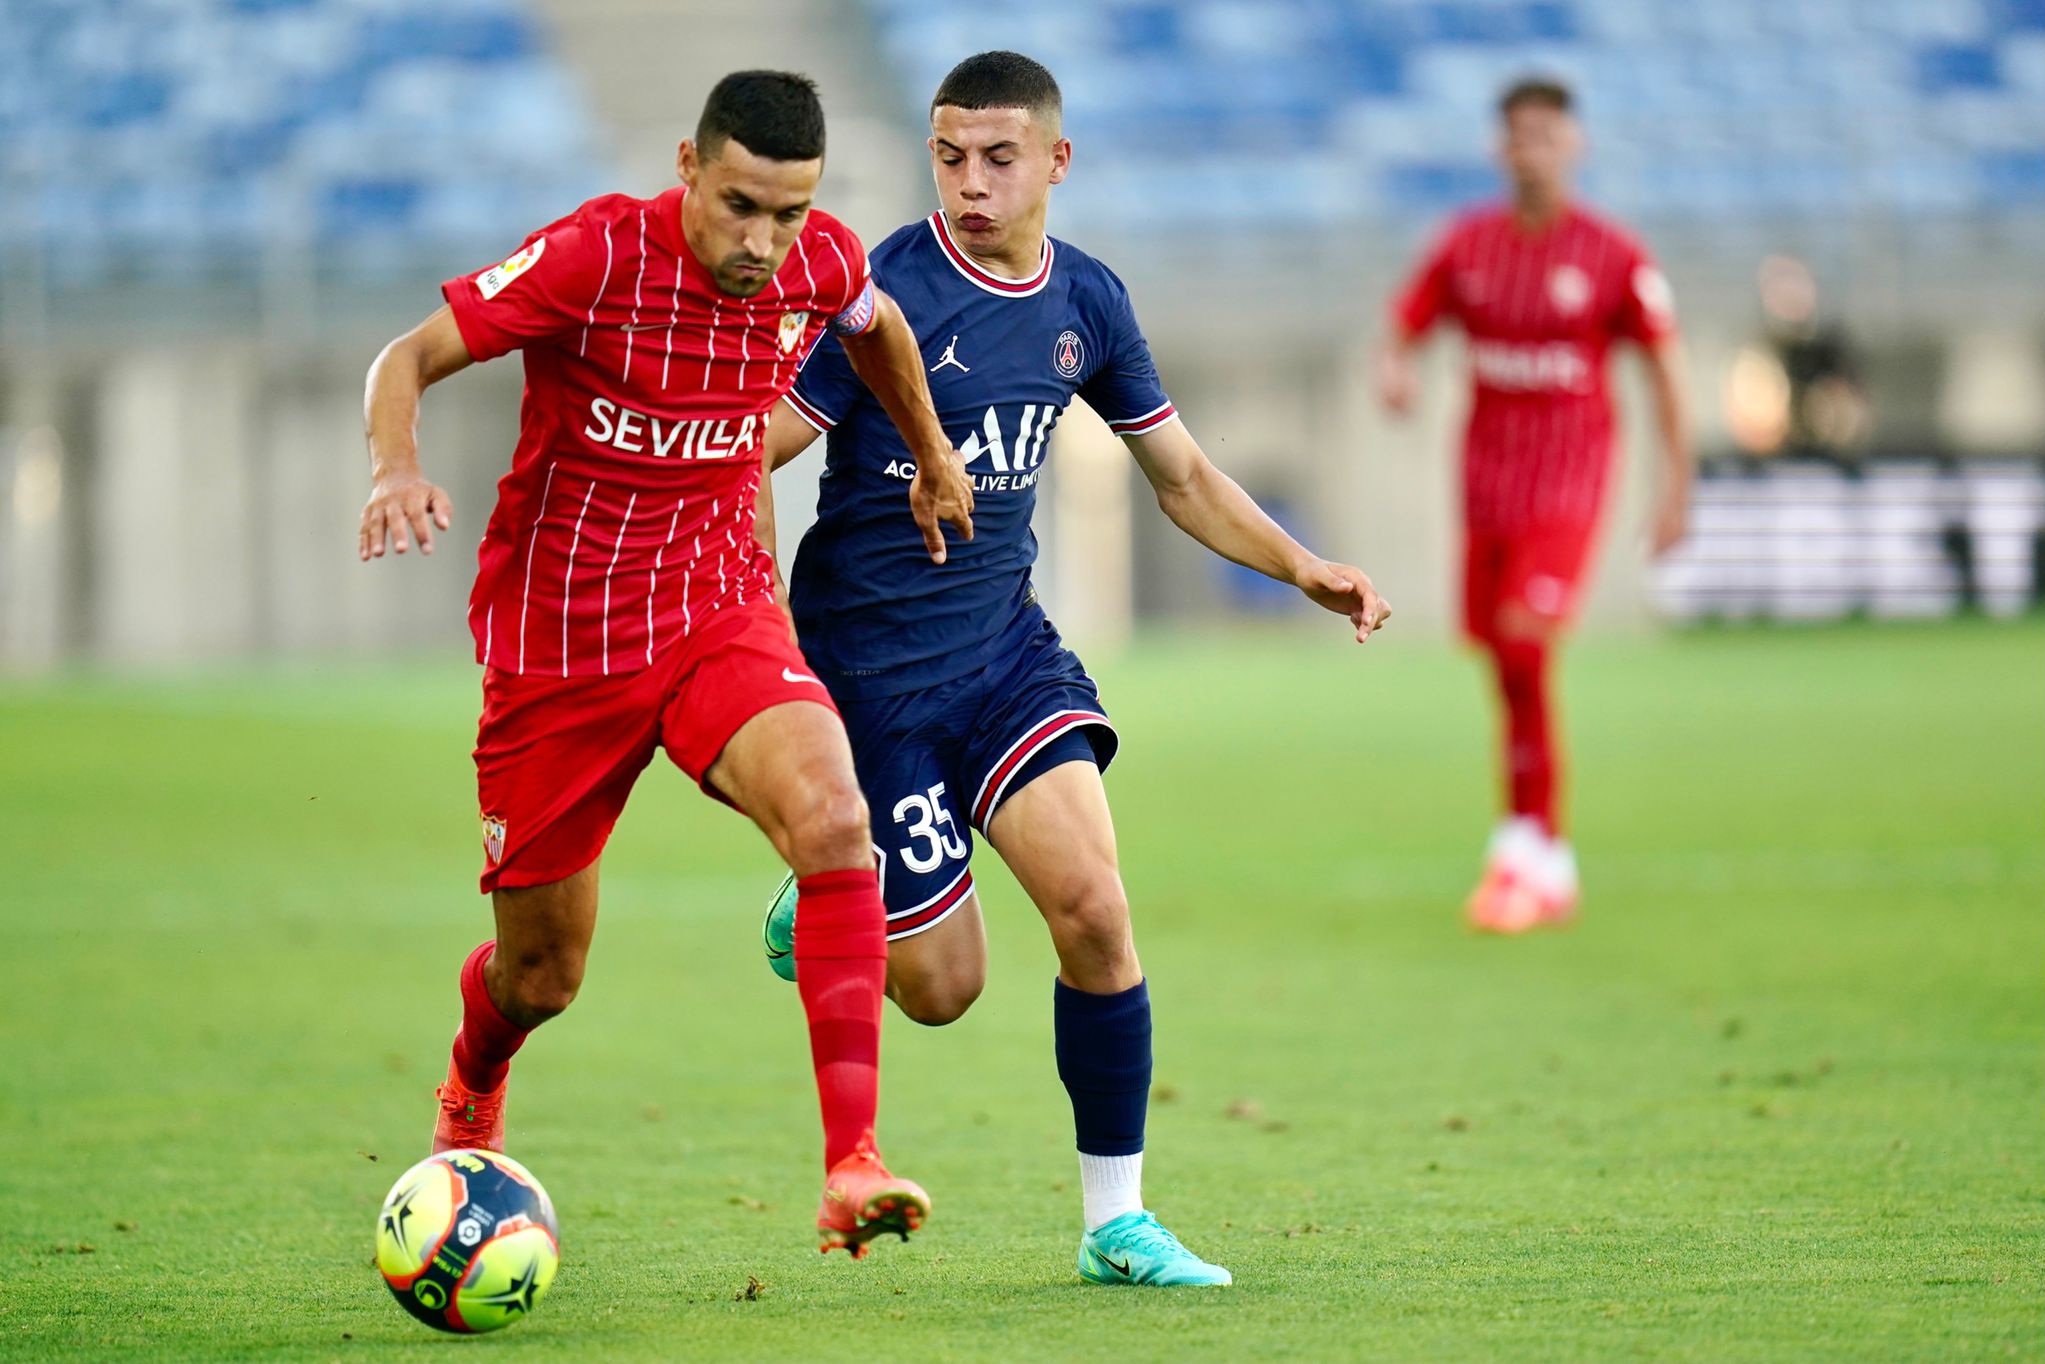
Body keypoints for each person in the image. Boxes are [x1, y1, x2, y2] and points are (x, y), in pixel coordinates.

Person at [754, 51, 1391, 1287]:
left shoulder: (1085, 302)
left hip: (1000, 653)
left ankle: (1115, 1222)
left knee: (1097, 910)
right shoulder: (879, 291)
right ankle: (831, 891)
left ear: (1055, 159)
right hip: (869, 680)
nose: (970, 184)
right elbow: (759, 446)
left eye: (997, 158)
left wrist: (1302, 568)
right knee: (942, 991)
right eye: (948, 157)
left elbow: (1184, 478)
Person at [357, 70, 976, 1258]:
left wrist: (931, 452)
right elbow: (409, 353)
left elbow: (878, 324)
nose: (763, 242)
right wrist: (395, 465)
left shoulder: (819, 259)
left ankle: (853, 1160)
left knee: (837, 819)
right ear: (688, 167)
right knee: (539, 976)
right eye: (741, 204)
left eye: (788, 213)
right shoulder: (591, 256)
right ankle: (468, 1087)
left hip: (714, 606)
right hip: (562, 648)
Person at [1377, 76, 1692, 934]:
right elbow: (1405, 319)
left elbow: (1665, 369)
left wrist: (1677, 489)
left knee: (1525, 640)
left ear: (1575, 144)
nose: (1534, 150)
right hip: (1485, 486)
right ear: (1500, 148)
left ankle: (1534, 848)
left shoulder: (1614, 256)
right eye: (1519, 135)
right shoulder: (1469, 247)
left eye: (1548, 134)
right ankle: (1537, 853)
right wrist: (1395, 365)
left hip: (1569, 485)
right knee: (1503, 660)